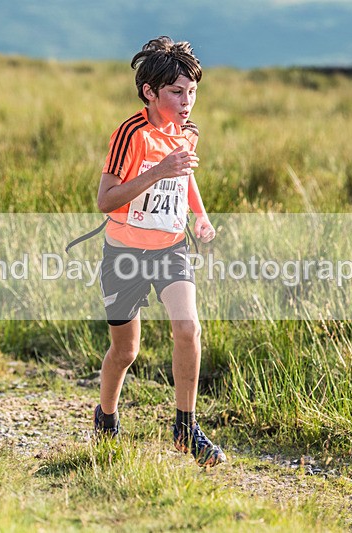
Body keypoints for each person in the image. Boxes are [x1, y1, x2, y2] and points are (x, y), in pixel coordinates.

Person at [92, 36, 226, 467]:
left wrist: (200, 215)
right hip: (124, 255)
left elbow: (185, 176)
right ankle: (106, 418)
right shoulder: (130, 134)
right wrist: (158, 171)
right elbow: (106, 200)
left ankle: (185, 428)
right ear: (149, 92)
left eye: (192, 92)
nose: (187, 103)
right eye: (176, 92)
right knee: (125, 352)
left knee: (188, 328)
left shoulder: (187, 132)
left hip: (171, 248)